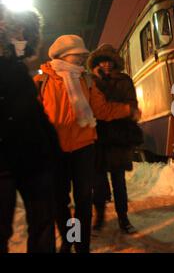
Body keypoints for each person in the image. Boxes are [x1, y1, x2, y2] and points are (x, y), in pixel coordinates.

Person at [34, 35, 140, 253]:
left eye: (84, 56)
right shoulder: (43, 80)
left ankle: (82, 246)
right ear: (64, 55)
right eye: (79, 56)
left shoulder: (87, 81)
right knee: (60, 201)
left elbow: (102, 110)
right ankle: (69, 238)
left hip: (84, 147)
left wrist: (128, 110)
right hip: (55, 150)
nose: (83, 59)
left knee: (83, 199)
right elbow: (32, 116)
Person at [0, 4, 59, 253]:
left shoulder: (19, 71)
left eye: (25, 34)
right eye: (17, 32)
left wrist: (52, 149)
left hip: (33, 160)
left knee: (43, 222)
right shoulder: (10, 69)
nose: (21, 39)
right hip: (3, 163)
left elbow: (35, 116)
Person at [88, 44, 143, 234]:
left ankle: (123, 219)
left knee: (119, 181)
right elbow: (94, 108)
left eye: (109, 61)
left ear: (115, 62)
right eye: (102, 61)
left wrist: (112, 111)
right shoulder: (92, 81)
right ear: (96, 63)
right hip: (98, 137)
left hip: (119, 137)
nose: (106, 65)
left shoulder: (124, 81)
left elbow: (132, 105)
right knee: (98, 182)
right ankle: (99, 218)